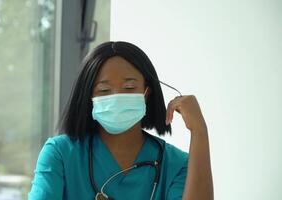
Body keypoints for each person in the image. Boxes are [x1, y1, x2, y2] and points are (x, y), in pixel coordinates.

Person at [28, 41, 214, 200]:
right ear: (89, 97)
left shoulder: (175, 164)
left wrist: (199, 131)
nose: (117, 97)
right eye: (104, 90)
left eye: (129, 87)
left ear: (147, 93)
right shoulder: (60, 154)